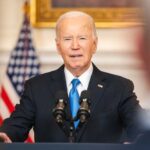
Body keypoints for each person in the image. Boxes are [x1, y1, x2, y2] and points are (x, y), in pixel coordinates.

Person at [0, 11, 144, 143]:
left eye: (82, 38)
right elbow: (15, 126)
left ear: (94, 44)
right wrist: (4, 134)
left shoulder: (119, 88)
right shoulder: (36, 87)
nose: (75, 46)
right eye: (67, 39)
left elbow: (139, 128)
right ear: (58, 46)